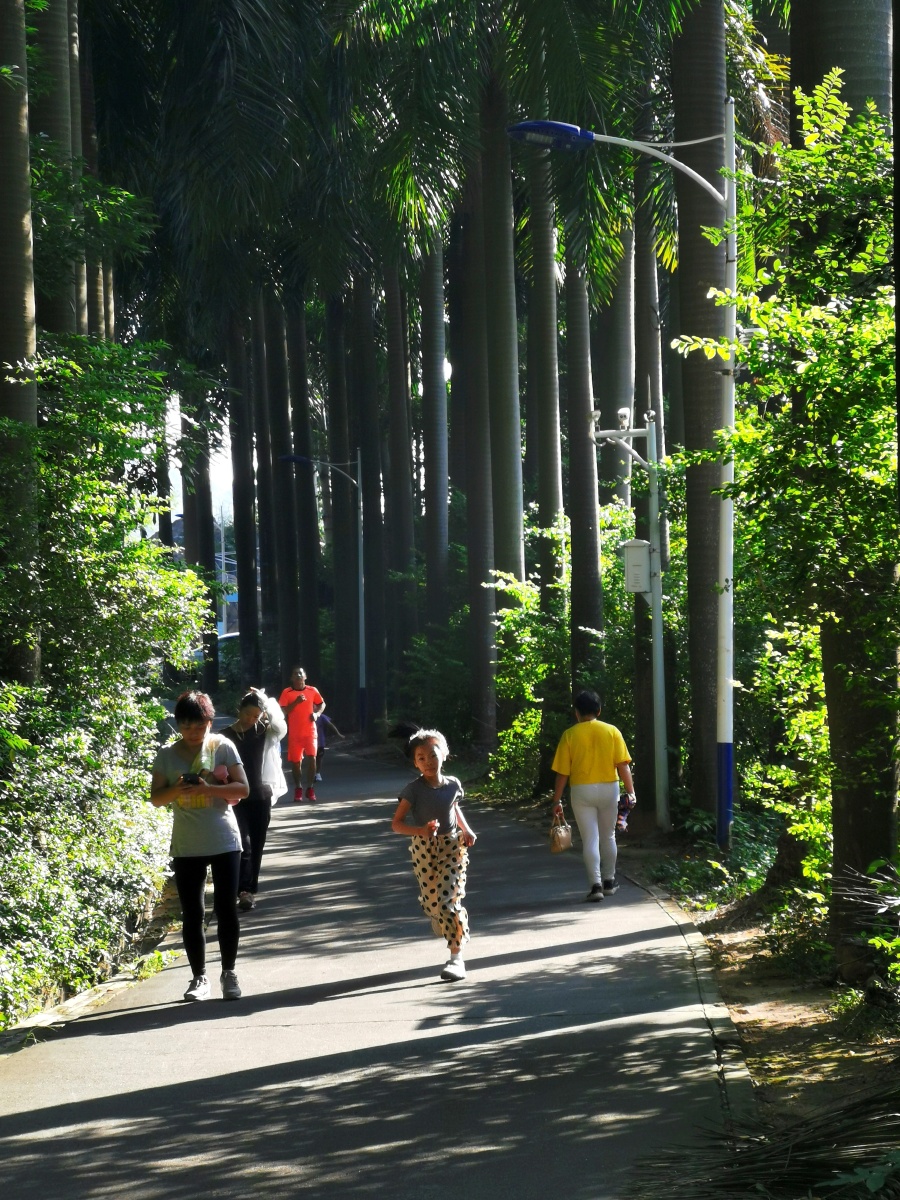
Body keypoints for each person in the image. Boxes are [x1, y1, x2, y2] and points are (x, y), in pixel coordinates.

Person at [150, 691, 250, 1001]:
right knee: (192, 914)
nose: (193, 733)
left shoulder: (222, 747)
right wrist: (177, 788)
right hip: (186, 842)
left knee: (226, 909)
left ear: (209, 723)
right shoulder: (166, 755)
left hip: (223, 838)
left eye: (200, 726)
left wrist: (208, 788)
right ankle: (198, 977)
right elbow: (156, 798)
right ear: (178, 725)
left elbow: (244, 789)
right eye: (186, 726)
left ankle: (229, 973)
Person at [391, 729, 477, 982]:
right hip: (424, 848)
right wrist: (420, 830)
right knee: (433, 903)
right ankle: (438, 915)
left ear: (445, 754)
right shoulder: (413, 790)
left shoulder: (453, 785)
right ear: (415, 763)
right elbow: (396, 823)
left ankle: (456, 958)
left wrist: (466, 829)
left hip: (452, 847)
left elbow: (454, 808)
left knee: (450, 901)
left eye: (432, 755)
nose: (428, 762)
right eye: (421, 758)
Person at [551, 689, 636, 903]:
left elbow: (563, 772)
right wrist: (631, 792)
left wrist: (556, 800)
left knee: (590, 838)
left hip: (581, 790)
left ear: (576, 713)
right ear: (599, 710)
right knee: (608, 836)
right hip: (609, 788)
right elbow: (623, 765)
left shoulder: (570, 735)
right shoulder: (612, 731)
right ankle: (609, 881)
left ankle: (595, 885)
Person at [220, 688, 288, 911]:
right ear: (239, 711)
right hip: (235, 798)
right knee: (243, 844)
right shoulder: (225, 737)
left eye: (256, 715)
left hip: (261, 796)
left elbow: (281, 725)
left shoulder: (265, 731)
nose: (252, 719)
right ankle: (243, 890)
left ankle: (249, 888)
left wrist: (265, 700)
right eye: (248, 714)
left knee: (257, 844)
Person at [278, 666, 325, 803]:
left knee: (312, 758)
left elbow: (322, 704)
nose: (298, 675)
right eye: (295, 674)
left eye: (300, 673)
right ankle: (298, 788)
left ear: (305, 677)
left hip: (310, 732)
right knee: (296, 762)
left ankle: (310, 788)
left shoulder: (312, 690)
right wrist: (296, 702)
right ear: (291, 678)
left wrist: (317, 714)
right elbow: (284, 711)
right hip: (295, 733)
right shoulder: (287, 692)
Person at [314, 712, 344, 781]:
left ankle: (317, 773)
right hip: (309, 741)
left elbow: (330, 725)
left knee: (319, 758)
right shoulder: (306, 715)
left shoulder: (321, 717)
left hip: (320, 742)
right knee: (312, 758)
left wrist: (338, 734)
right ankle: (312, 773)